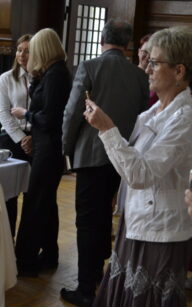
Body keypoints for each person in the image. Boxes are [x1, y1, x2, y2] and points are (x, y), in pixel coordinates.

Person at [84, 26, 192, 306]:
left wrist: (107, 128)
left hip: (161, 231)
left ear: (179, 71)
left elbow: (141, 174)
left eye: (154, 63)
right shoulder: (151, 113)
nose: (146, 69)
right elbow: (132, 166)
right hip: (136, 221)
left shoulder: (185, 119)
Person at [60, 19, 149, 306]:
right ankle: (100, 279)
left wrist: (66, 147)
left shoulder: (90, 67)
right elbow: (141, 118)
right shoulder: (139, 75)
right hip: (123, 157)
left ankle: (86, 288)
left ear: (102, 38)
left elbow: (73, 112)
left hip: (91, 155)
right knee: (104, 221)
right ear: (127, 44)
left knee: (88, 221)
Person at [11, 28, 72, 276]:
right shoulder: (49, 73)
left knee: (35, 203)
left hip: (49, 149)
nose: (30, 53)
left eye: (34, 48)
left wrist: (25, 114)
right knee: (44, 203)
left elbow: (50, 118)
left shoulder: (57, 75)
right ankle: (49, 254)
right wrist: (35, 75)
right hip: (45, 146)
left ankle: (25, 261)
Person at [0, 34, 33, 238]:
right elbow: (3, 113)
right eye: (20, 50)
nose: (22, 54)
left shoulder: (41, 77)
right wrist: (22, 138)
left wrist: (33, 137)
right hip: (11, 138)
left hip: (36, 139)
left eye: (27, 50)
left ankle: (25, 246)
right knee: (10, 195)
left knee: (32, 195)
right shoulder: (6, 78)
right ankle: (7, 242)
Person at [138, 33, 159, 106]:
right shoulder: (129, 74)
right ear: (139, 52)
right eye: (145, 52)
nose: (148, 56)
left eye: (151, 53)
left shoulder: (159, 79)